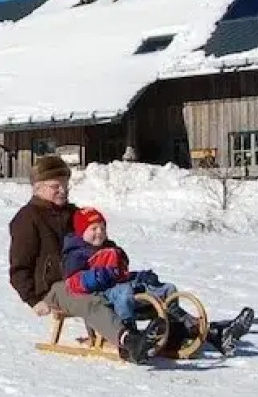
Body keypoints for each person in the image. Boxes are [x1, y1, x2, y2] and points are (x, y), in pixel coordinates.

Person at [9, 155, 157, 363]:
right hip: (54, 287)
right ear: (37, 187)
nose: (63, 190)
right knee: (92, 301)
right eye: (56, 186)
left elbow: (98, 241)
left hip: (88, 275)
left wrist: (115, 255)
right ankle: (129, 341)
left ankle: (181, 328)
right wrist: (33, 300)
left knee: (139, 285)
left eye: (65, 185)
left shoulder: (74, 213)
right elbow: (19, 267)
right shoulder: (26, 219)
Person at [63, 206, 253, 356]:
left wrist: (141, 276)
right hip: (101, 298)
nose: (99, 232)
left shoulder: (110, 247)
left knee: (167, 289)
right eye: (93, 228)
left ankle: (179, 332)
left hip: (123, 288)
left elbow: (122, 272)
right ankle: (132, 338)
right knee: (123, 291)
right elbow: (73, 283)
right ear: (81, 232)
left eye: (102, 228)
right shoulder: (77, 254)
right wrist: (98, 276)